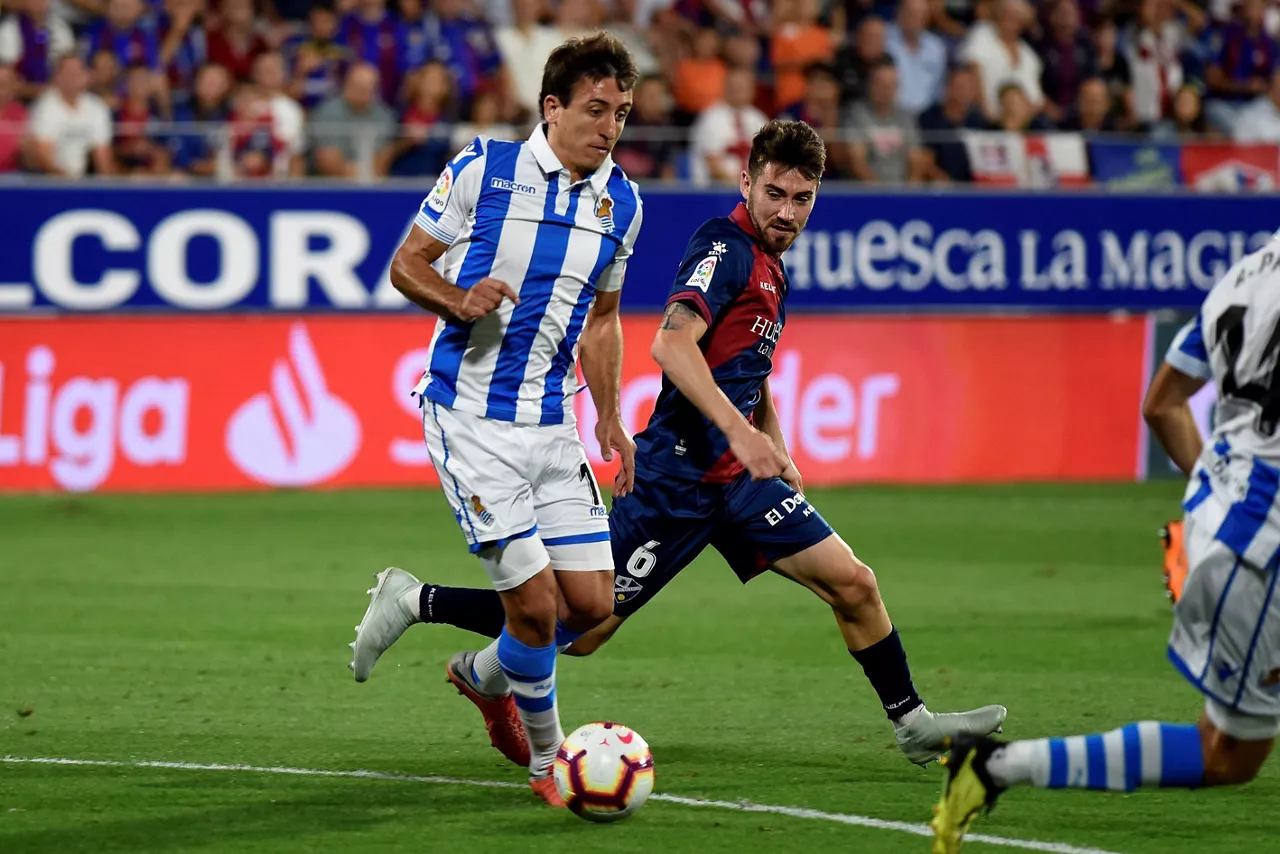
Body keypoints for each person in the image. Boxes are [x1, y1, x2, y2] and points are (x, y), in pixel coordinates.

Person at [354, 119, 1007, 778]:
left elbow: (751, 368)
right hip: (678, 481)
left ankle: (914, 725)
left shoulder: (772, 267)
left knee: (855, 584)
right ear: (746, 180)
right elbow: (670, 343)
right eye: (775, 192)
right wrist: (743, 434)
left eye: (801, 198)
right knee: (583, 627)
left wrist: (773, 445)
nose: (786, 211)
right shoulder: (723, 250)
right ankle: (419, 603)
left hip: (742, 484)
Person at [348, 32, 643, 809]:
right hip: (470, 420)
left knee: (591, 608)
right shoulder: (486, 168)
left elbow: (605, 319)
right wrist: (455, 299)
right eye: (594, 109)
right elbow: (406, 261)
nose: (609, 126)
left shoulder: (624, 202)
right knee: (537, 607)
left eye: (621, 112)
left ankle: (472, 665)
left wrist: (610, 415)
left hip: (553, 425)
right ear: (551, 108)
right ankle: (552, 763)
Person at [931, 231, 1280, 852]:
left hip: (1231, 523)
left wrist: (1214, 507)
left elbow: (1163, 404)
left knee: (1228, 751)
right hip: (1261, 547)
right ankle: (993, 768)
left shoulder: (1245, 274)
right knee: (1227, 755)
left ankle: (990, 768)